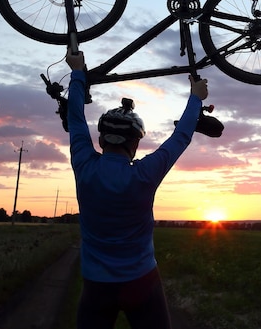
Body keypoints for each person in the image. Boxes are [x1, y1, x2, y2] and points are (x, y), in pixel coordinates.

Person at [65, 49, 208, 329]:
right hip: (142, 282)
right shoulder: (144, 174)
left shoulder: (84, 165)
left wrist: (77, 73)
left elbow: (75, 118)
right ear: (134, 144)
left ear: (102, 140)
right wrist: (196, 97)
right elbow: (180, 138)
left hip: (96, 285)